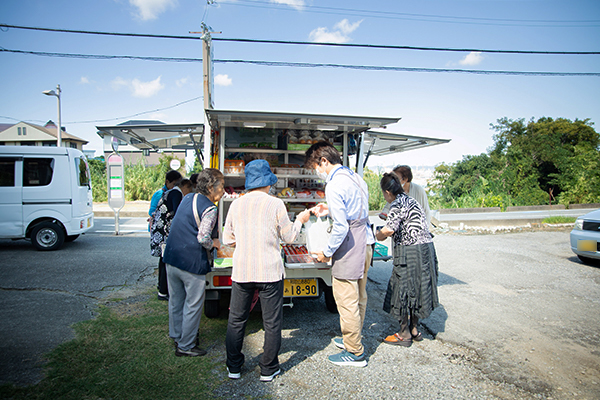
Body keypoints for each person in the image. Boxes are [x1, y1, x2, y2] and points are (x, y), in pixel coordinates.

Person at [223, 159, 310, 382]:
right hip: (270, 271)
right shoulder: (276, 204)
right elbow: (289, 237)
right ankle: (268, 369)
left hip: (242, 271)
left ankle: (233, 367)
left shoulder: (236, 205)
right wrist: (300, 220)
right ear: (268, 183)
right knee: (272, 323)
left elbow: (227, 239)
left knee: (236, 320)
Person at [304, 141, 373, 368]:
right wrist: (329, 209)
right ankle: (352, 339)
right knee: (359, 296)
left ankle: (354, 352)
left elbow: (342, 227)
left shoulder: (333, 184)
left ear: (324, 161)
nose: (317, 171)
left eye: (316, 166)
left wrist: (326, 252)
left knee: (346, 299)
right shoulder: (356, 178)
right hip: (366, 242)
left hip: (350, 245)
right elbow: (356, 210)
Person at [162, 169, 224, 357]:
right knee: (193, 304)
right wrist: (214, 243)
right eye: (221, 186)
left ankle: (177, 335)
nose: (223, 191)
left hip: (172, 257)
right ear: (211, 187)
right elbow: (203, 238)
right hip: (191, 262)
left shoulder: (188, 198)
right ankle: (186, 346)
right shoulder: (210, 208)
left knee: (176, 301)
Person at [375, 172, 439, 347]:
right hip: (426, 249)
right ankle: (414, 330)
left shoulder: (397, 204)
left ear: (388, 192)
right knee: (417, 288)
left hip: (409, 250)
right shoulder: (411, 200)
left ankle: (403, 334)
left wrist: (377, 235)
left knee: (402, 287)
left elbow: (388, 230)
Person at [150, 179, 193, 301]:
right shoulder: (176, 194)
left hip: (160, 231)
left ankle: (161, 289)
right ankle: (163, 292)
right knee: (166, 262)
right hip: (165, 233)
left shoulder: (169, 193)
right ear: (184, 186)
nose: (188, 193)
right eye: (189, 190)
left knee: (163, 261)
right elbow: (177, 212)